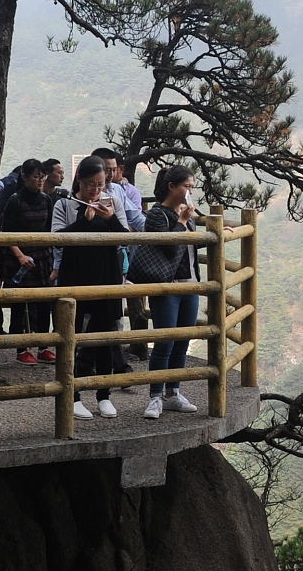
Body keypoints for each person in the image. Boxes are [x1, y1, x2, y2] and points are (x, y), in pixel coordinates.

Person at [52, 155, 126, 419]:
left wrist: (110, 219)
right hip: (75, 275)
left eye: (101, 184)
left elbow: (126, 239)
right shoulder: (65, 203)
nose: (96, 190)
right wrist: (84, 220)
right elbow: (58, 240)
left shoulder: (113, 202)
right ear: (79, 181)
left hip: (106, 274)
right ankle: (71, 396)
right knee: (71, 335)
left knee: (105, 336)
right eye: (91, 184)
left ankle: (103, 394)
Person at [133, 163, 203, 419]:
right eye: (186, 186)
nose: (189, 192)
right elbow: (169, 249)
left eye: (192, 188)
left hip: (191, 284)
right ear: (172, 187)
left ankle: (173, 393)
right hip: (167, 286)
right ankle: (155, 397)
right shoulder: (156, 215)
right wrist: (182, 222)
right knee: (165, 342)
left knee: (182, 342)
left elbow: (190, 250)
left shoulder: (188, 216)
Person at [0, 158, 55, 364]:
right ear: (25, 177)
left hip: (41, 257)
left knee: (43, 305)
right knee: (19, 306)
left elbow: (48, 231)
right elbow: (7, 233)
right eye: (36, 177)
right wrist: (20, 255)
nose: (40, 181)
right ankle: (21, 348)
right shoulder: (15, 200)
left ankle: (43, 346)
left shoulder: (46, 200)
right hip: (19, 258)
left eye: (43, 177)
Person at [97, 147, 150, 359]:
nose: (109, 174)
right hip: (94, 256)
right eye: (105, 169)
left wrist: (157, 231)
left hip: (118, 255)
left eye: (112, 169)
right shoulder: (82, 193)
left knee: (115, 304)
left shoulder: (118, 191)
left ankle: (114, 351)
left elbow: (135, 216)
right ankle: (86, 350)